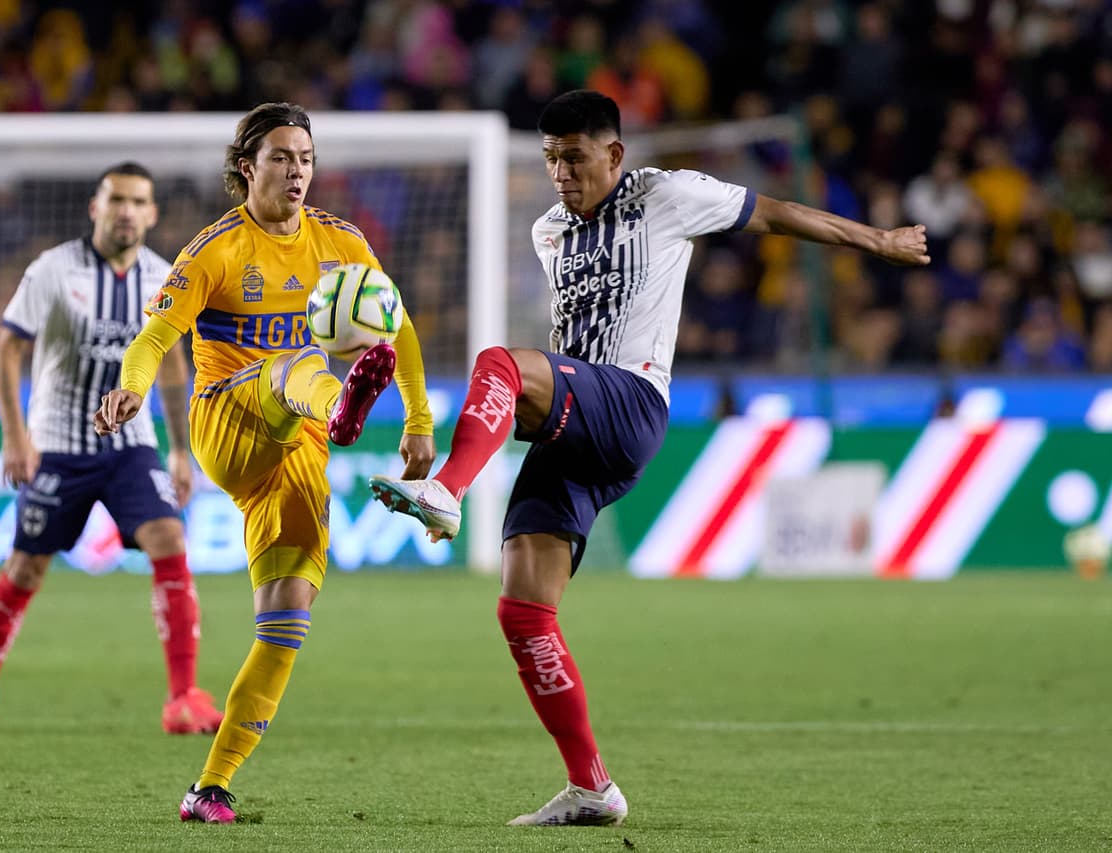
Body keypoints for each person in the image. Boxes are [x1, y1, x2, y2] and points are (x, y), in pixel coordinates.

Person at [369, 90, 930, 827]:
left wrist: (879, 243)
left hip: (631, 403)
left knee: (499, 362)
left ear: (614, 154)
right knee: (522, 611)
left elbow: (777, 214)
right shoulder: (548, 231)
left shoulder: (667, 194)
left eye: (573, 158)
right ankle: (592, 787)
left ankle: (447, 488)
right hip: (578, 425)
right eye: (549, 160)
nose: (560, 173)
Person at [93, 102, 436, 824]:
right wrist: (130, 391)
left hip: (294, 452)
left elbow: (398, 325)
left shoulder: (339, 241)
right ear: (248, 167)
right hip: (228, 419)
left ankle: (209, 786)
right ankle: (341, 403)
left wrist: (418, 417)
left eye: (306, 157)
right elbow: (154, 339)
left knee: (285, 623)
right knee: (296, 360)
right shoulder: (216, 248)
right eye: (281, 156)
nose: (298, 170)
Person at [0, 162, 224, 737]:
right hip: (58, 446)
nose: (127, 210)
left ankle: (183, 697)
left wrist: (179, 450)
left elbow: (174, 365)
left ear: (152, 213)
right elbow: (6, 352)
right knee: (25, 568)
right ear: (95, 207)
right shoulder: (53, 270)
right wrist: (14, 435)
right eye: (117, 199)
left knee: (170, 539)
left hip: (131, 446)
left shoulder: (165, 277)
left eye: (138, 201)